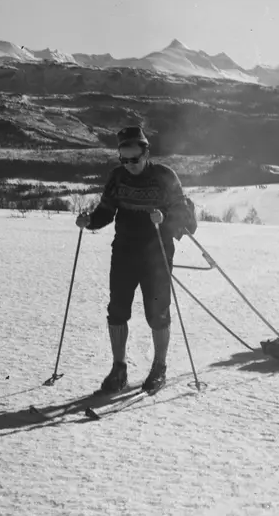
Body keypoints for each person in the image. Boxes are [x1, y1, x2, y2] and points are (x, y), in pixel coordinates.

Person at [76, 125, 197, 395]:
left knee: (157, 312)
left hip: (157, 255)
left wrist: (164, 219)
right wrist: (90, 221)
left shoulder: (165, 177)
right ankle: (119, 369)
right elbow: (107, 210)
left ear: (146, 152)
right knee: (117, 310)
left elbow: (181, 212)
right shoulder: (118, 177)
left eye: (135, 157)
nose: (130, 164)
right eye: (124, 157)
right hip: (124, 253)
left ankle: (159, 366)